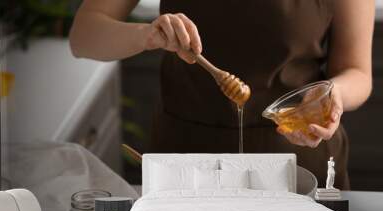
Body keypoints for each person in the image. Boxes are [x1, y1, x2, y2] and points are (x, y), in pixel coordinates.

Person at [69, 0, 374, 191]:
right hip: (184, 164)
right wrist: (144, 36)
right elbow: (84, 36)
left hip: (297, 168)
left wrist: (332, 96)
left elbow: (356, 71)